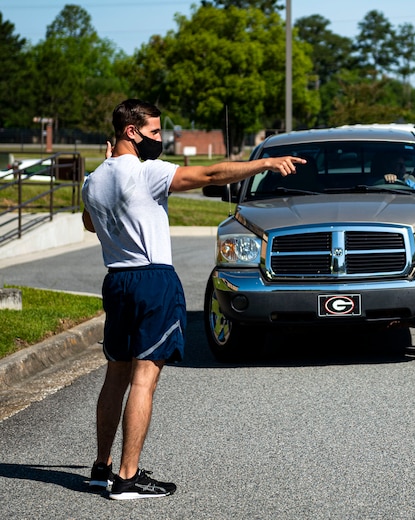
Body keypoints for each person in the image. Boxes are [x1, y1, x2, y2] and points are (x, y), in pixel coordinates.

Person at [82, 99, 304, 500]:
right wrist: (264, 164)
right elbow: (212, 173)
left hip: (116, 281)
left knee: (116, 375)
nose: (159, 140)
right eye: (153, 133)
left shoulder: (93, 180)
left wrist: (106, 166)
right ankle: (128, 480)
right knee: (143, 379)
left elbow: (88, 222)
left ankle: (102, 468)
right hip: (152, 279)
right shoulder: (147, 172)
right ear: (131, 132)